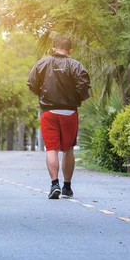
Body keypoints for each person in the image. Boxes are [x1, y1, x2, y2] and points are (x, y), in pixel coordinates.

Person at [27, 37, 91, 199]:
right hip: (69, 112)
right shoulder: (76, 65)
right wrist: (80, 97)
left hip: (49, 112)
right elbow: (83, 85)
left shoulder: (42, 64)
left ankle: (54, 184)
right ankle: (67, 187)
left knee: (51, 149)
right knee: (68, 149)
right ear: (70, 51)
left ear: (53, 48)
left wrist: (41, 93)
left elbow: (31, 82)